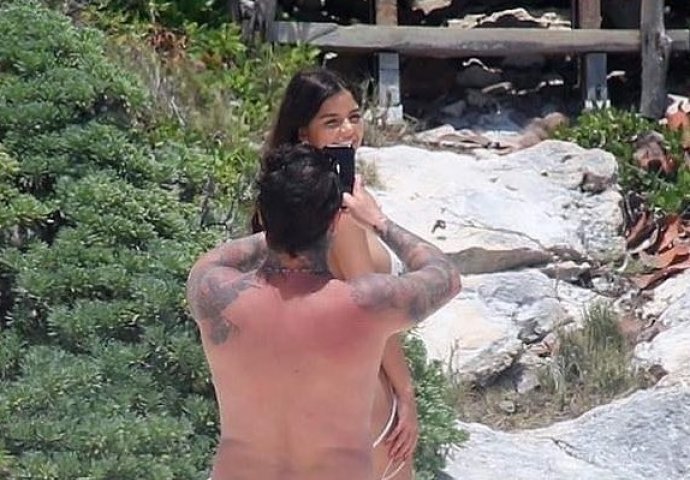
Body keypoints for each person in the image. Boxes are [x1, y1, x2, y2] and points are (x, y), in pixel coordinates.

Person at [187, 144, 461, 480]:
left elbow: (220, 256)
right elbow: (445, 275)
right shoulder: (364, 305)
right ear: (334, 221)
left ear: (263, 214)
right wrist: (377, 221)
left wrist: (286, 223)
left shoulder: (213, 291)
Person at [252, 67, 418, 479]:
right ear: (303, 132)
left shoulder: (286, 202)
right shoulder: (337, 216)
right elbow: (372, 311)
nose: (348, 131)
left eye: (354, 117)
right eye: (332, 122)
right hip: (364, 391)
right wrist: (406, 392)